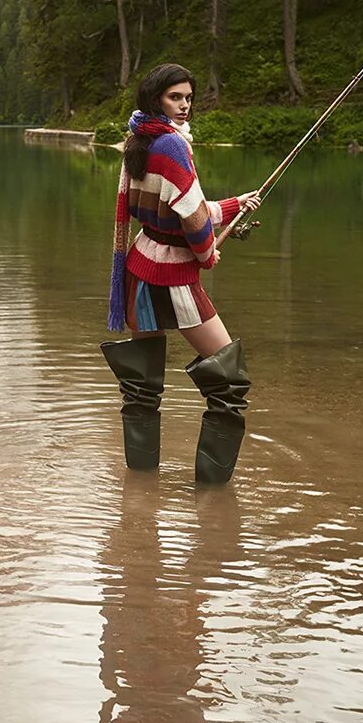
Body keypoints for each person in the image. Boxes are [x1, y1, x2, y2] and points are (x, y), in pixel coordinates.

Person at [101, 63, 262, 483]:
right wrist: (207, 253)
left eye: (189, 97)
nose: (185, 105)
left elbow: (172, 205)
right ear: (157, 99)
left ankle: (141, 486)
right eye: (176, 97)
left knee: (142, 382)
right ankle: (212, 498)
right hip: (172, 275)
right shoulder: (172, 145)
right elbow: (189, 215)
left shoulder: (138, 138)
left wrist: (231, 205)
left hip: (140, 265)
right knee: (229, 383)